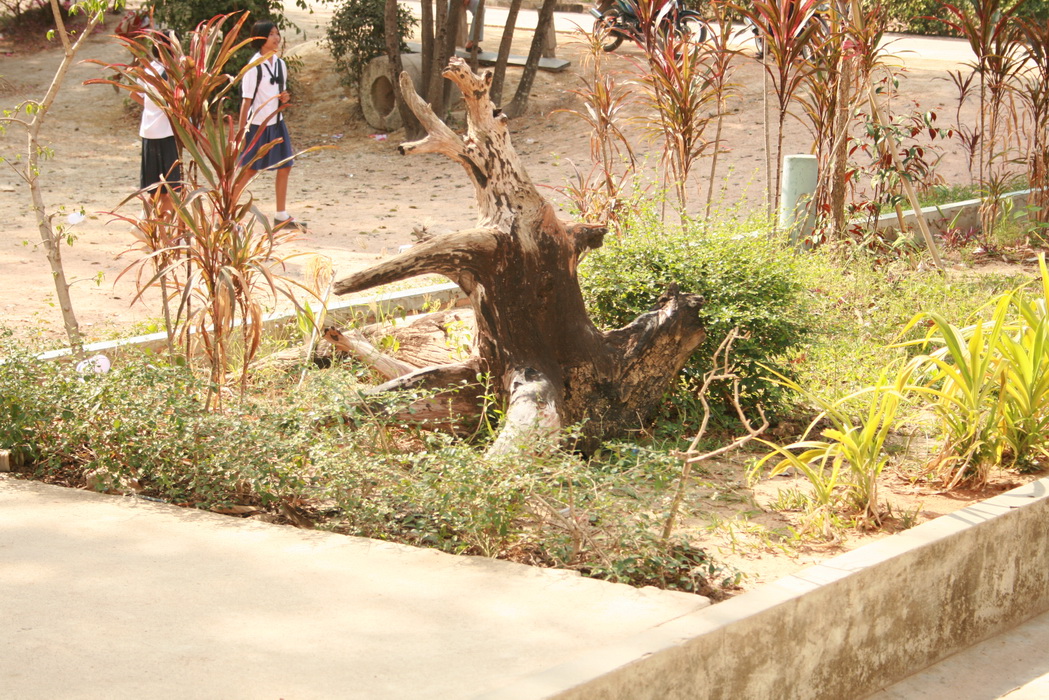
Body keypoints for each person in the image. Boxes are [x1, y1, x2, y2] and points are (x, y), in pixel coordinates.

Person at [236, 20, 303, 230]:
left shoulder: (280, 64)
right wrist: (242, 132)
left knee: (285, 166)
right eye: (271, 34)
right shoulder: (253, 67)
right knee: (249, 171)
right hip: (257, 125)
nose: (276, 38)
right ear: (261, 39)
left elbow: (280, 92)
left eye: (277, 33)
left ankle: (281, 215)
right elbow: (246, 101)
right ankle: (227, 216)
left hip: (276, 122)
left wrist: (284, 97)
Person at [130, 31, 181, 215]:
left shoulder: (148, 68)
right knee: (171, 187)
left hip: (150, 131)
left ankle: (149, 222)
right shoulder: (173, 72)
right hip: (167, 133)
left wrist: (152, 108)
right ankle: (157, 224)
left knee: (155, 187)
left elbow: (134, 94)